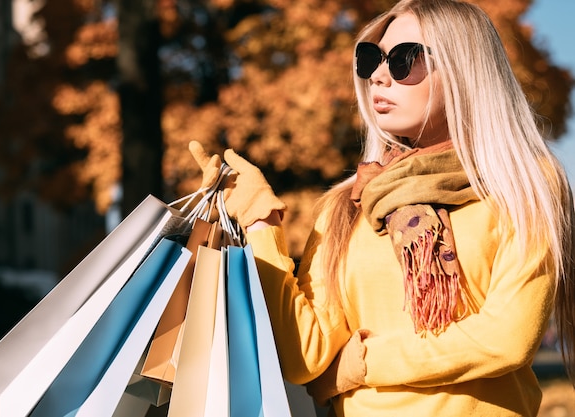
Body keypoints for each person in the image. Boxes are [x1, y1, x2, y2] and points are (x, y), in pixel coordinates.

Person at [189, 0, 575, 415]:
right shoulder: (346, 204)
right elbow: (306, 356)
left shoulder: (522, 184)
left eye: (403, 59)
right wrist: (261, 222)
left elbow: (506, 340)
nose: (378, 75)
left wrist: (365, 363)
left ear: (464, 70)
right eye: (371, 59)